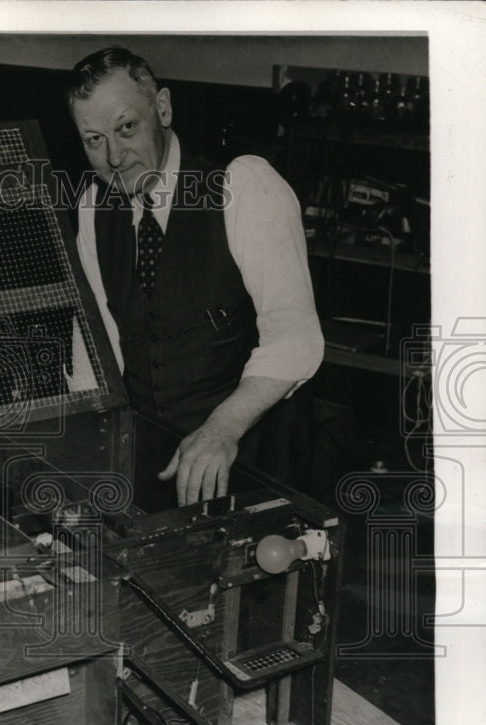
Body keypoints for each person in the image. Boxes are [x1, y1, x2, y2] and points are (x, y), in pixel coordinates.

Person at [66, 47, 324, 509]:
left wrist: (222, 428)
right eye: (93, 140)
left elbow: (296, 338)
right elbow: (94, 340)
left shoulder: (243, 186)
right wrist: (86, 443)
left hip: (252, 459)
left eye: (127, 128)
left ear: (162, 108)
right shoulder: (92, 205)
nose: (115, 157)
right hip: (152, 463)